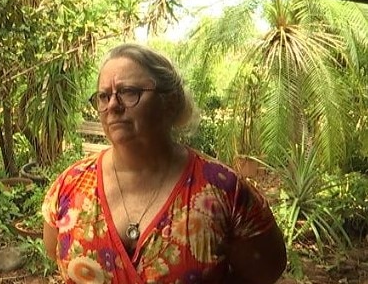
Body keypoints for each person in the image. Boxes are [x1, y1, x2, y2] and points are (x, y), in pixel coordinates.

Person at [42, 43, 287, 284]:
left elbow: (266, 270)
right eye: (104, 96)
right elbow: (54, 252)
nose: (113, 106)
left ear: (169, 102)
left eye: (129, 92)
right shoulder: (70, 185)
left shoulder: (223, 190)